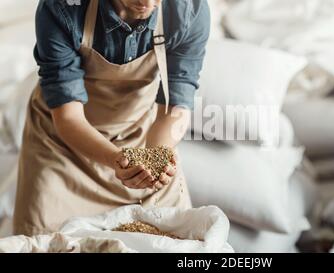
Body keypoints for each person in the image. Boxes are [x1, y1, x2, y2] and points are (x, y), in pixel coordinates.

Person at [13, 0, 210, 236]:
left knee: (175, 237)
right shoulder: (62, 8)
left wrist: (156, 158)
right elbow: (69, 117)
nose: (148, 3)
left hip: (137, 136)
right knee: (45, 241)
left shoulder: (189, 9)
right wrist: (117, 160)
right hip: (60, 147)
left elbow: (175, 107)